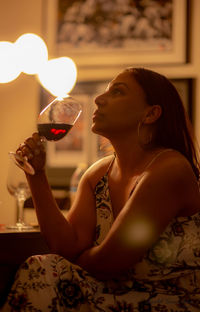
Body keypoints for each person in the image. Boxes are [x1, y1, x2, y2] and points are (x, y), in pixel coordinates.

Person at [2, 67, 200, 311]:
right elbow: (68, 244)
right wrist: (37, 174)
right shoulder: (98, 174)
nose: (98, 99)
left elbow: (111, 262)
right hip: (110, 296)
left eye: (117, 92)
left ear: (151, 114)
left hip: (169, 301)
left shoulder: (169, 169)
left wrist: (74, 258)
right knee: (42, 267)